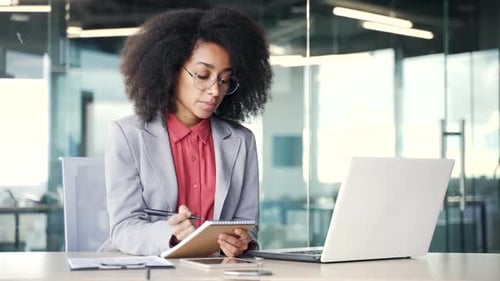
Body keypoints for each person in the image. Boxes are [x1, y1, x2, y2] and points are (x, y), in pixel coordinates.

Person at [100, 6, 272, 257]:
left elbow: (247, 226)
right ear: (170, 70)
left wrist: (243, 241)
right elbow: (124, 227)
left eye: (224, 80)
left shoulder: (241, 141)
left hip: (216, 271)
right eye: (203, 75)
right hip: (149, 268)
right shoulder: (128, 135)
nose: (215, 90)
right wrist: (169, 233)